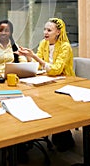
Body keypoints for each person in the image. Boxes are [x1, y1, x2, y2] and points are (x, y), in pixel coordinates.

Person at [18, 17, 75, 152]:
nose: (45, 32)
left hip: (64, 82)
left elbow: (56, 70)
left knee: (55, 106)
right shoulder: (43, 43)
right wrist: (29, 57)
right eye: (45, 29)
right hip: (47, 80)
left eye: (49, 30)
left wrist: (36, 58)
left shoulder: (65, 47)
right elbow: (38, 67)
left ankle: (64, 137)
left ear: (58, 32)